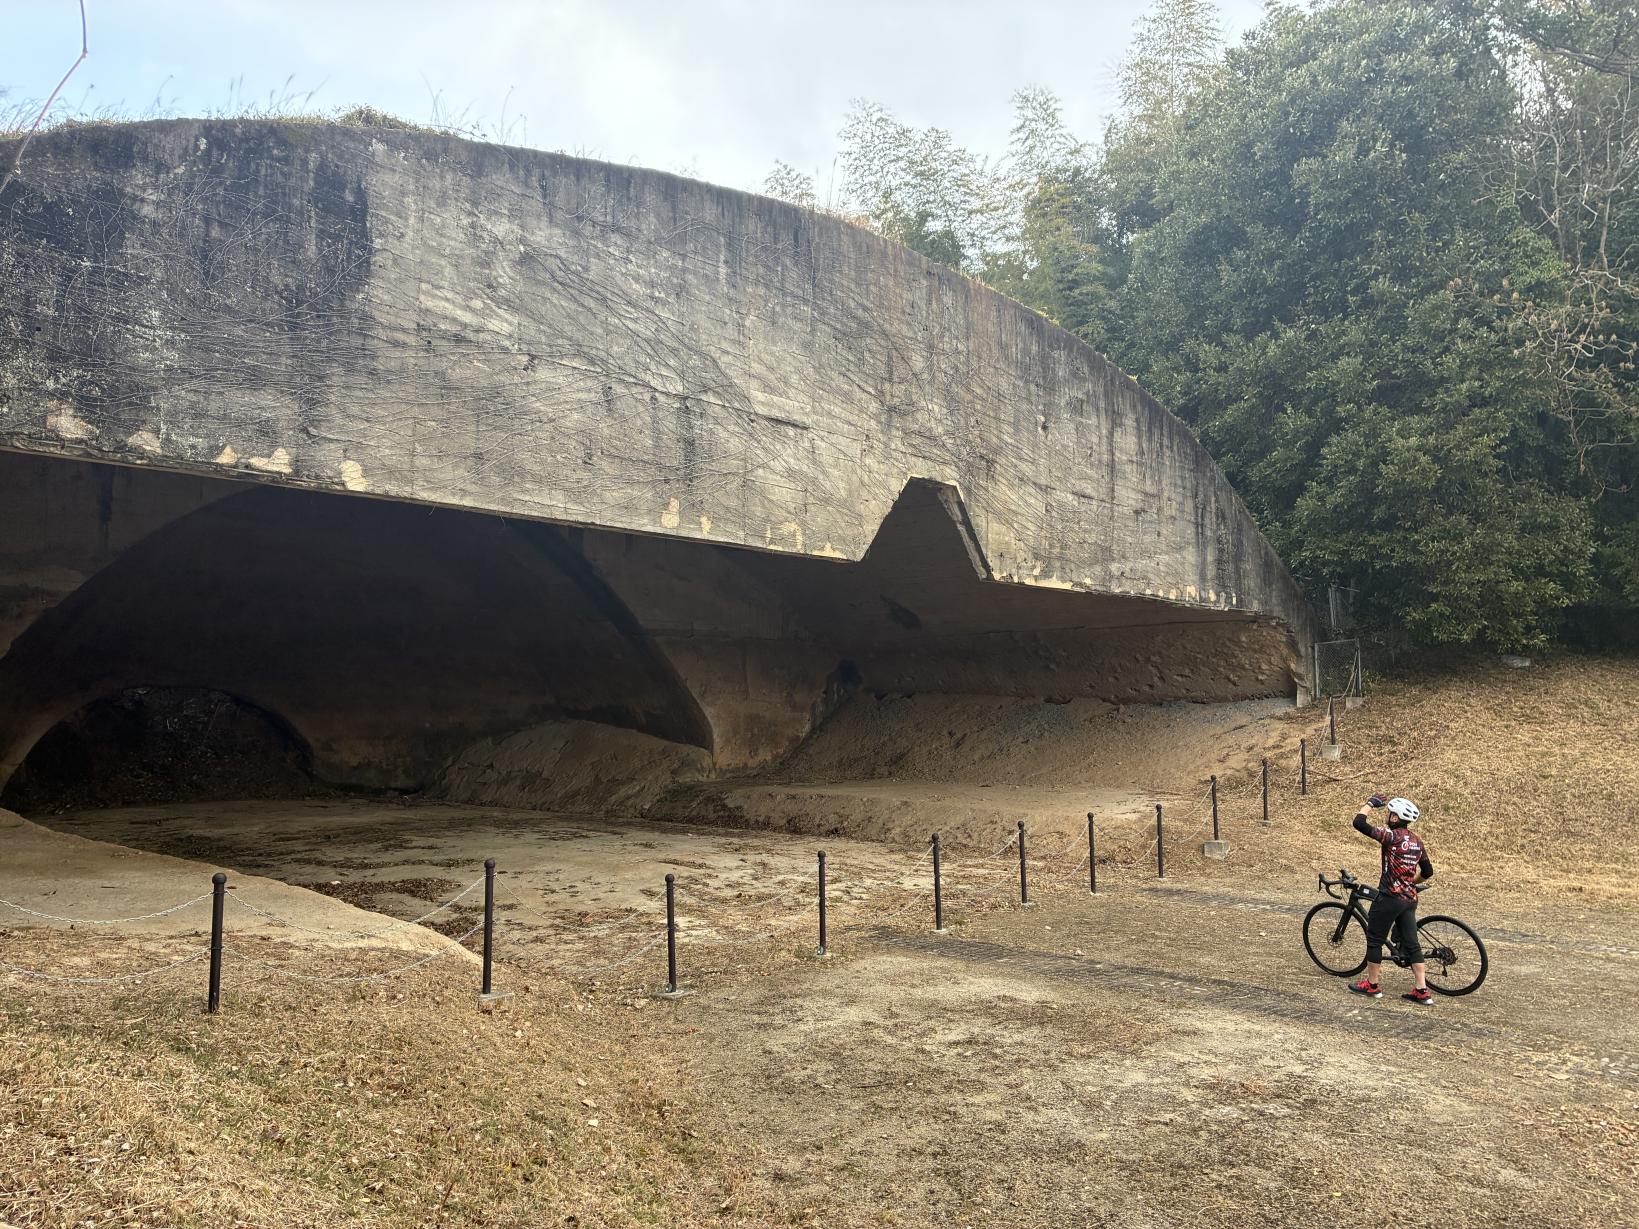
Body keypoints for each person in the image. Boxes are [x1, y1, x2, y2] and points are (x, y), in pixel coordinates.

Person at [1348, 793, 1435, 1005]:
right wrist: (1411, 881)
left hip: (1389, 897)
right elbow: (1428, 871)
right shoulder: (1417, 841)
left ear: (1395, 818)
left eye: (1389, 814)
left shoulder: (1391, 836)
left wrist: (1370, 804)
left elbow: (1358, 823)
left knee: (1375, 939)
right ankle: (1422, 990)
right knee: (1412, 945)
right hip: (1409, 899)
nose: (1387, 816)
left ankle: (1372, 985)